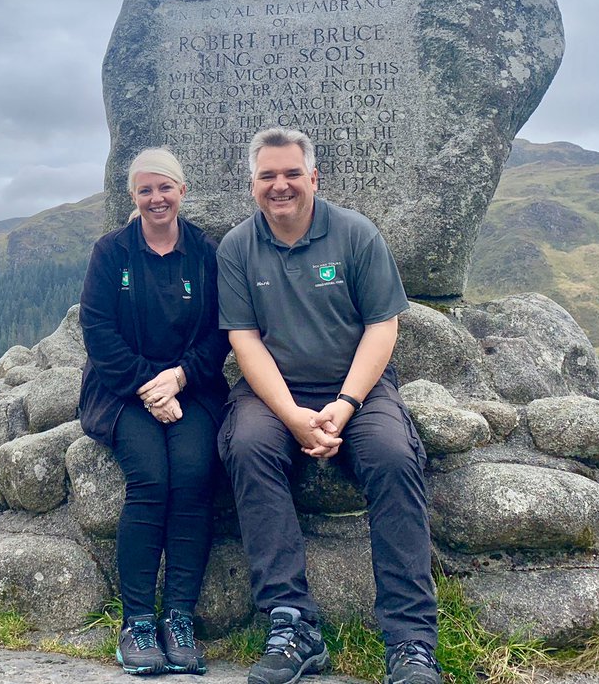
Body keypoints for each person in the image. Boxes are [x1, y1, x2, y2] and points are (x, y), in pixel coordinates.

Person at [216, 128, 441, 684]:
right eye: (268, 175)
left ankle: (410, 641)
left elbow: (382, 326)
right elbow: (244, 340)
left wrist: (346, 402)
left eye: (292, 173)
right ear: (253, 185)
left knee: (393, 456)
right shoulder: (237, 247)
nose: (281, 185)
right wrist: (292, 415)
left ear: (314, 178)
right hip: (273, 392)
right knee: (247, 447)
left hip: (358, 388)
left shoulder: (356, 234)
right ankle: (292, 624)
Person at [79, 147, 231, 676]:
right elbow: (98, 331)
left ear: (182, 191)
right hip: (122, 390)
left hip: (193, 387)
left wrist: (179, 378)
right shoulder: (111, 252)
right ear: (133, 196)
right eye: (145, 190)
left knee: (192, 475)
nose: (156, 198)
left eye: (165, 187)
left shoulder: (205, 253)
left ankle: (180, 618)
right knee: (150, 477)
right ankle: (138, 622)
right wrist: (150, 386)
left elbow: (220, 332)